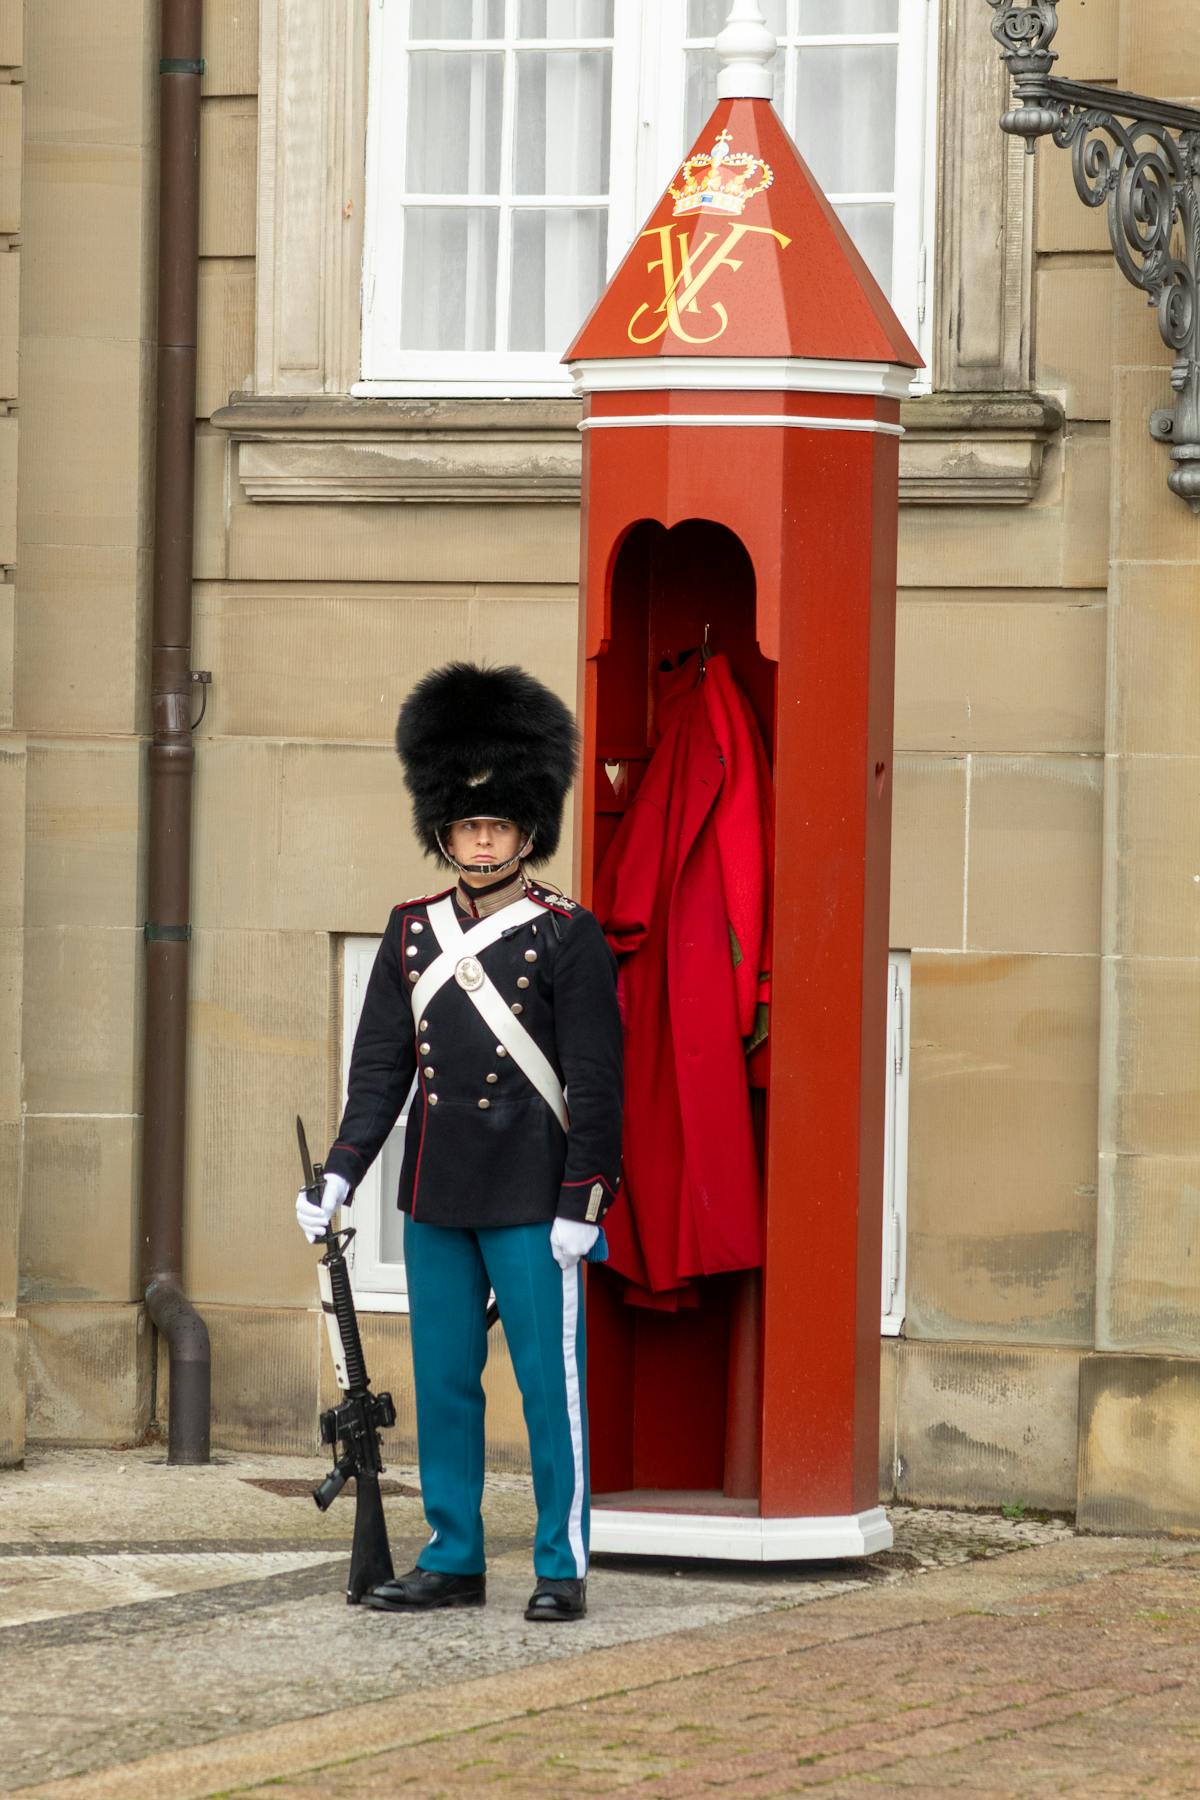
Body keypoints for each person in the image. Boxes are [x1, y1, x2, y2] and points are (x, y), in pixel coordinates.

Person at [295, 662, 623, 1621]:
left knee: (547, 1390)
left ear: (526, 832)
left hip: (533, 1196)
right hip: (438, 1196)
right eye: (468, 825)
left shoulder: (568, 937)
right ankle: (455, 1554)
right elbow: (381, 1073)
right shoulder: (409, 935)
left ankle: (560, 1565)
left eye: (499, 825)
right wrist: (343, 1173)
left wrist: (584, 1199)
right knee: (442, 1383)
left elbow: (598, 1083)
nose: (483, 839)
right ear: (444, 832)